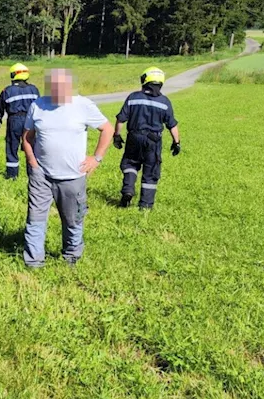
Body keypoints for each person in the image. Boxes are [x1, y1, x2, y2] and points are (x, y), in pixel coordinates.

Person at [20, 69, 113, 267]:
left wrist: (96, 158)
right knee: (35, 220)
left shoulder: (83, 105)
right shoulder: (38, 105)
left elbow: (107, 129)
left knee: (73, 220)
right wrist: (32, 162)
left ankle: (71, 258)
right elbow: (27, 137)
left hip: (73, 177)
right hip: (41, 175)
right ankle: (34, 262)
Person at [113, 66, 180, 209]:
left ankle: (128, 190)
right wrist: (176, 142)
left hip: (134, 137)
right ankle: (145, 206)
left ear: (145, 80)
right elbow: (172, 125)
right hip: (153, 141)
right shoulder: (164, 102)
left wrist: (117, 135)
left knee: (130, 164)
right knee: (150, 172)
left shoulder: (133, 97)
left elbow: (121, 119)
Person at [0, 63, 40, 180]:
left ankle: (12, 175)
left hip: (14, 120)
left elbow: (0, 107)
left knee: (11, 147)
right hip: (31, 120)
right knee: (31, 146)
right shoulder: (34, 89)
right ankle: (33, 173)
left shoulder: (8, 90)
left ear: (13, 75)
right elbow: (40, 106)